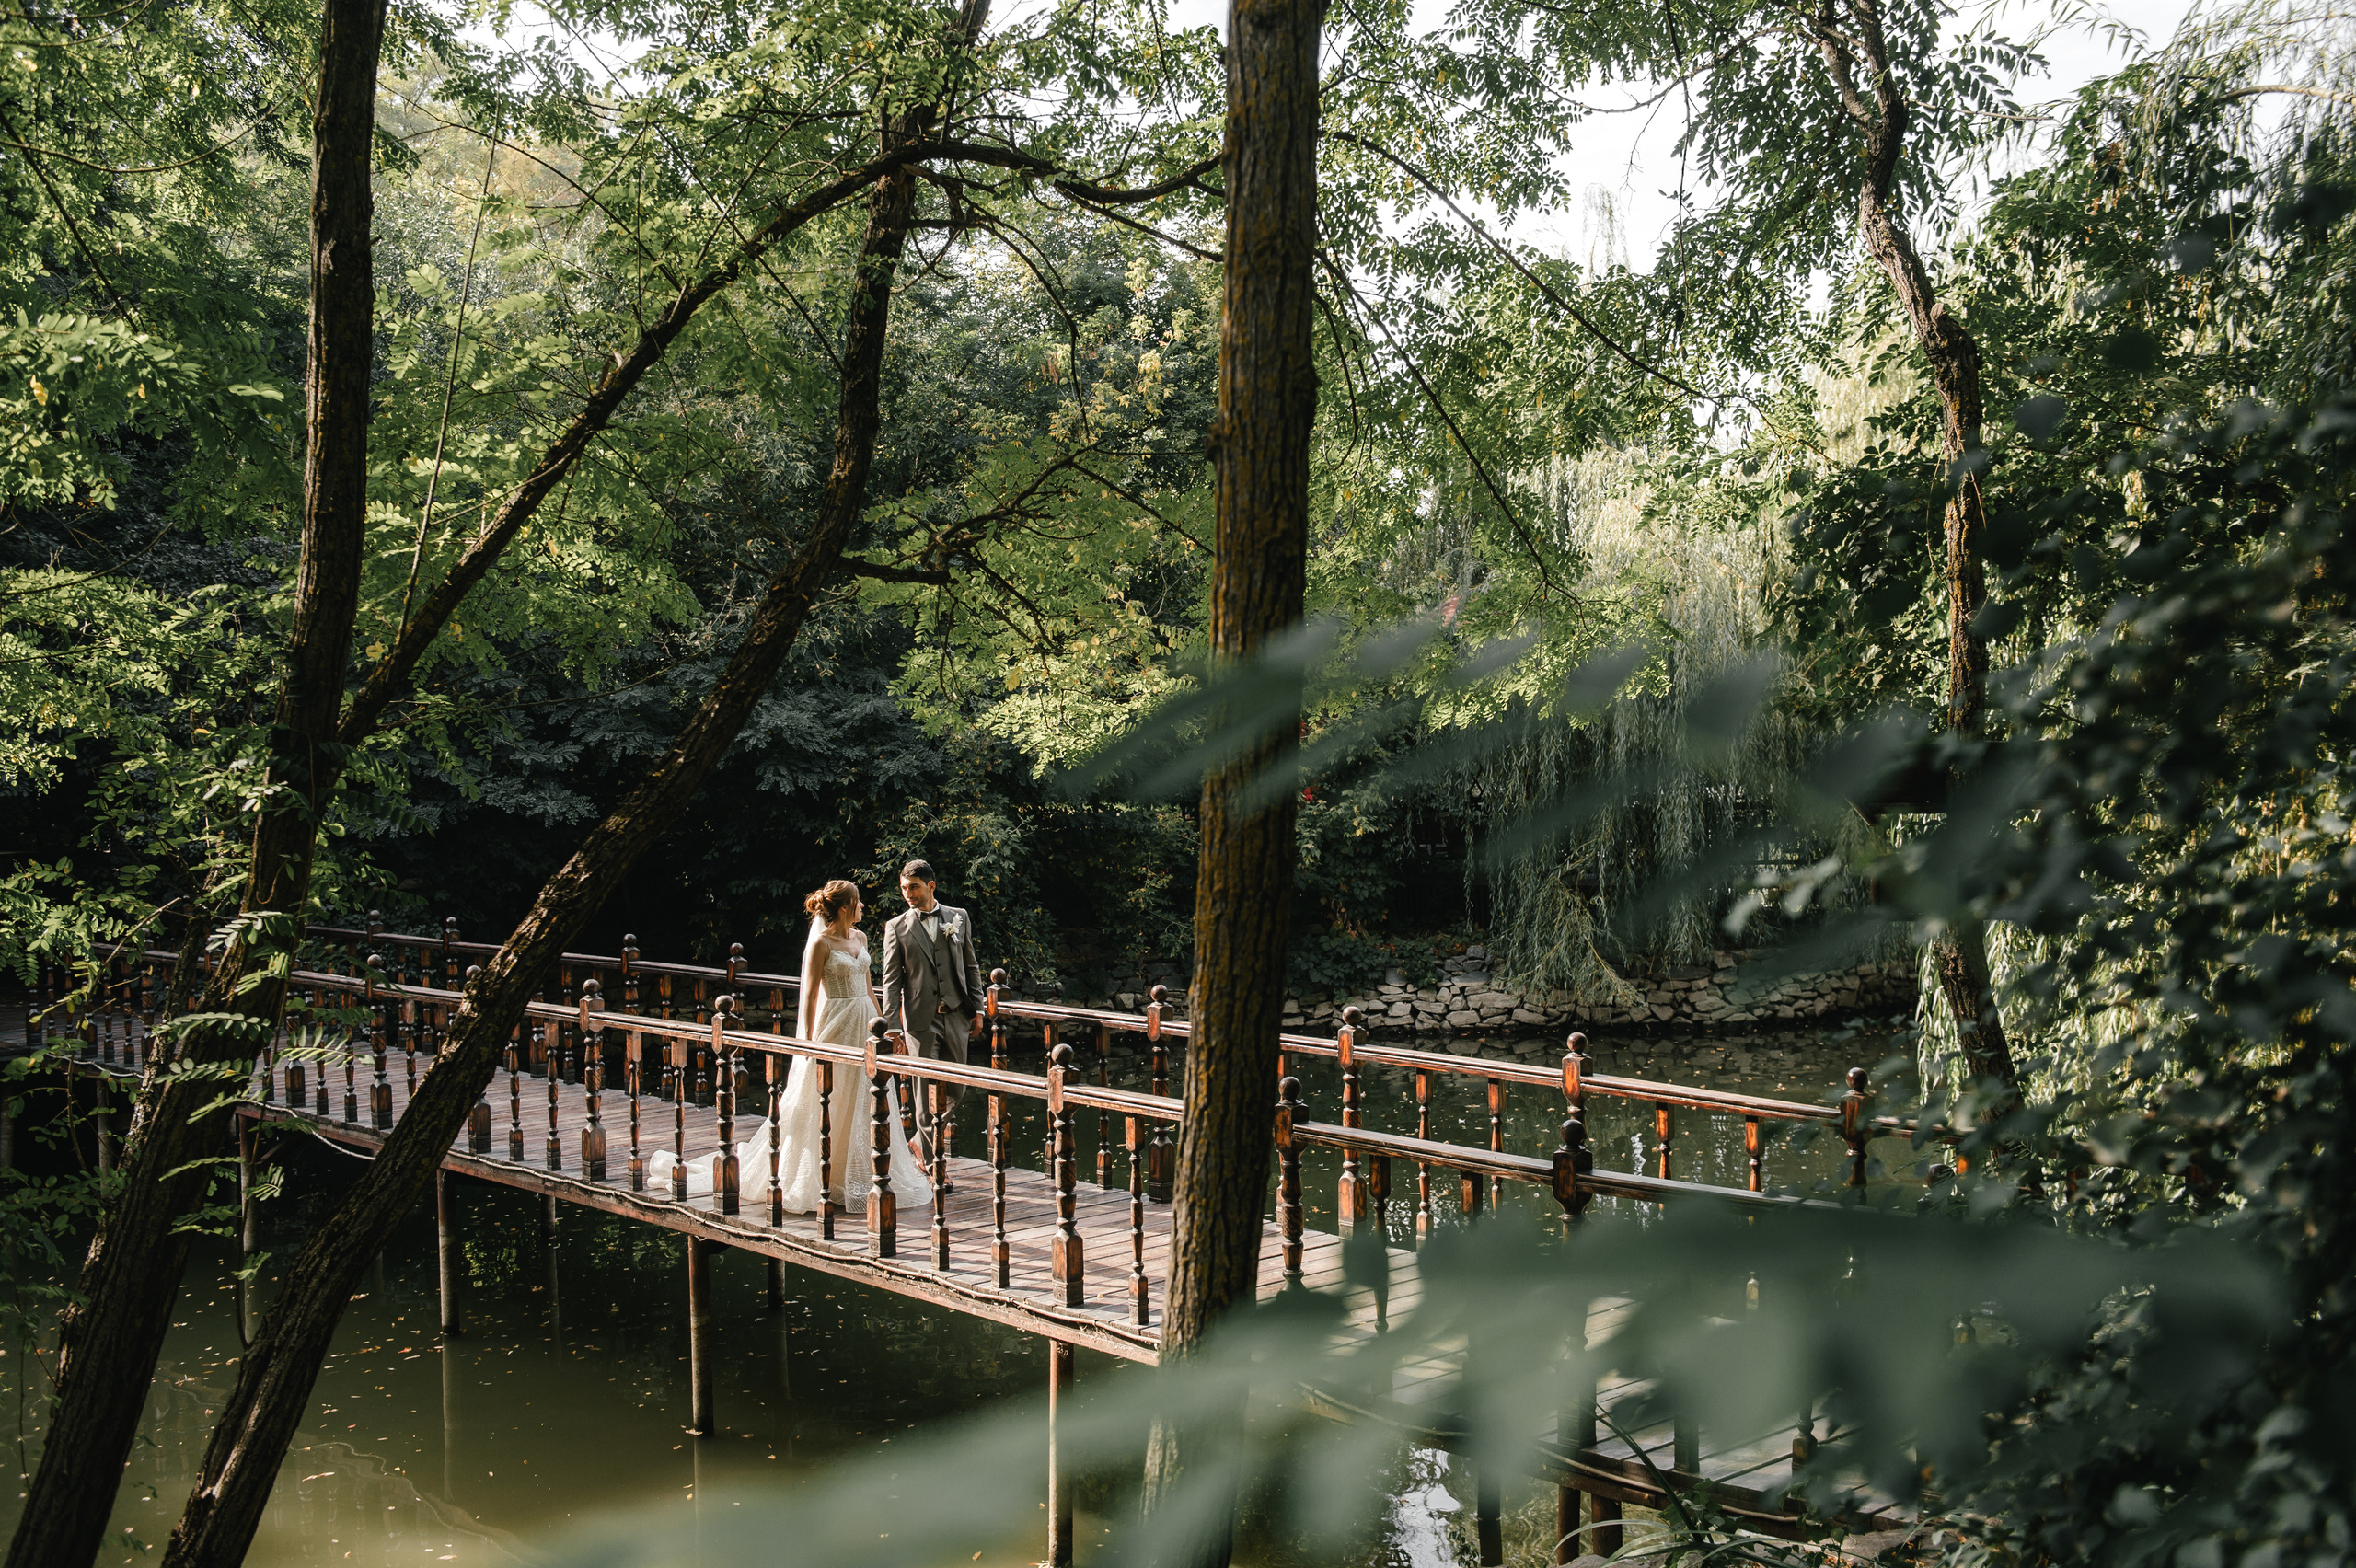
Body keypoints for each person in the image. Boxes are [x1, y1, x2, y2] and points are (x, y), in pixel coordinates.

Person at [650, 879, 928, 1212]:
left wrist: (884, 1030)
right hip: (837, 1023)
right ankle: (822, 1175)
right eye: (858, 902)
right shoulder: (821, 945)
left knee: (865, 1095)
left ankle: (860, 1172)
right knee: (832, 1094)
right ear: (844, 908)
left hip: (865, 1022)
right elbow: (809, 997)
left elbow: (869, 988)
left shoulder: (861, 938)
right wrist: (808, 1044)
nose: (863, 907)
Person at [880, 859, 987, 1159]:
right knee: (924, 1095)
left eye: (913, 887)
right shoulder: (896, 927)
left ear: (931, 886)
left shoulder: (959, 917)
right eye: (903, 888)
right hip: (919, 1021)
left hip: (956, 1016)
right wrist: (891, 1025)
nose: (908, 894)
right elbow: (891, 980)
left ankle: (918, 1140)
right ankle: (930, 1162)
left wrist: (978, 1009)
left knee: (959, 1088)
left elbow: (971, 965)